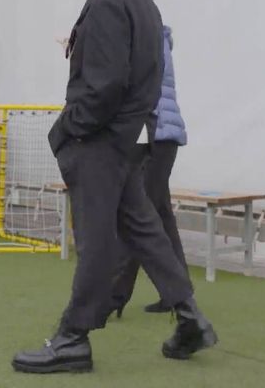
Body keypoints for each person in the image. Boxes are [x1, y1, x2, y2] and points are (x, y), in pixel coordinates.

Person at [12, 0, 217, 374]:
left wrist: (69, 131)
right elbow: (142, 75)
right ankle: (190, 318)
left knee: (96, 241)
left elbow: (104, 85)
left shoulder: (108, 0)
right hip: (124, 140)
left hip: (99, 143)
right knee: (145, 230)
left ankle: (72, 339)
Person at [109, 25, 192, 316]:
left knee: (137, 216)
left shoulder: (147, 38)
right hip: (160, 136)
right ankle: (179, 294)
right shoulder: (155, 37)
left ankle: (114, 296)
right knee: (161, 216)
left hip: (155, 135)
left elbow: (131, 83)